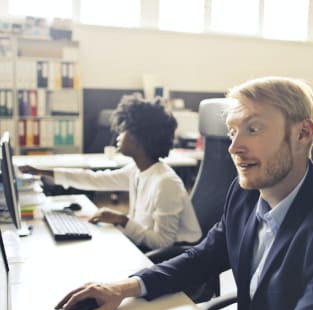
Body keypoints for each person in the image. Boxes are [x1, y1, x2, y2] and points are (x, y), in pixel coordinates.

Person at [54, 77, 313, 310]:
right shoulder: (246, 192)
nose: (234, 147)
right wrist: (124, 288)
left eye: (253, 129)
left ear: (302, 133)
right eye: (233, 130)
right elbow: (204, 256)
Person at [19, 94, 201, 251]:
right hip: (146, 248)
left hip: (172, 259)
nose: (118, 135)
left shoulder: (165, 183)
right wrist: (42, 171)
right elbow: (93, 179)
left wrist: (121, 219)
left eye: (124, 129)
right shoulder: (138, 171)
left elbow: (163, 244)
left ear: (141, 137)